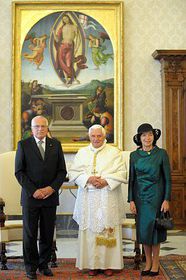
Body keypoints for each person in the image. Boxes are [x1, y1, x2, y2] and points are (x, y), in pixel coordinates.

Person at [69, 124, 127, 277]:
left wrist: (106, 181)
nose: (96, 139)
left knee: (108, 229)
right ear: (89, 137)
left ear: (104, 136)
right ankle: (92, 265)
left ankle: (108, 264)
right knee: (90, 231)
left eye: (99, 136)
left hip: (108, 197)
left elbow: (122, 172)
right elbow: (73, 172)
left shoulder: (114, 152)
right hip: (88, 198)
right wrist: (89, 178)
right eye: (93, 136)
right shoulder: (82, 153)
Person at [15, 116, 67, 279]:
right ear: (32, 129)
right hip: (31, 197)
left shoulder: (56, 145)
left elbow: (61, 171)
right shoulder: (23, 145)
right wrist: (33, 191)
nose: (40, 129)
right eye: (36, 127)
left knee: (47, 233)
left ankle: (43, 265)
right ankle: (30, 267)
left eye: (43, 126)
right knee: (30, 234)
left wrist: (51, 189)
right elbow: (19, 172)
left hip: (50, 197)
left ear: (47, 128)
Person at [128, 123, 172, 277]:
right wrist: (131, 200)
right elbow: (131, 180)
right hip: (140, 198)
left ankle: (156, 263)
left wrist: (166, 199)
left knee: (155, 231)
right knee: (144, 231)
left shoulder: (161, 154)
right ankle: (147, 263)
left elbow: (168, 179)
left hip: (157, 197)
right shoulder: (133, 155)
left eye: (150, 135)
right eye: (144, 135)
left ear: (154, 136)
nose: (147, 138)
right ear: (139, 138)